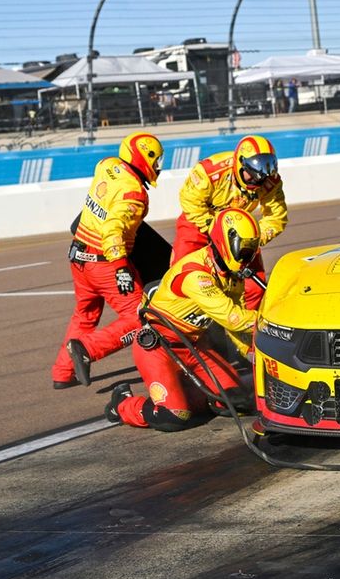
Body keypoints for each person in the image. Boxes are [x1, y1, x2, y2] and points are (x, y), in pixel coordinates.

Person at [105, 208, 260, 431]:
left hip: (194, 346)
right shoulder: (196, 275)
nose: (248, 257)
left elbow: (233, 326)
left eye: (252, 250)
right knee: (173, 417)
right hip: (158, 348)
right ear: (227, 242)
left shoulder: (232, 276)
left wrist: (251, 354)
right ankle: (122, 404)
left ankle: (184, 392)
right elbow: (234, 318)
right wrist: (269, 322)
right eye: (244, 249)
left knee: (236, 401)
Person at [52, 131, 165, 389]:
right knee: (142, 316)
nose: (158, 166)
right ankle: (88, 350)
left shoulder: (107, 165)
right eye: (156, 160)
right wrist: (121, 268)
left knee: (85, 314)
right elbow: (114, 230)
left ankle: (62, 372)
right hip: (104, 261)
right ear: (143, 158)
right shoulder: (135, 194)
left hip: (78, 254)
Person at [173, 135, 286, 310]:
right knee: (180, 274)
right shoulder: (209, 170)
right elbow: (190, 201)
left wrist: (254, 239)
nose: (259, 179)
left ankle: (247, 327)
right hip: (199, 224)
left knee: (255, 287)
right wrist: (211, 227)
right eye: (254, 172)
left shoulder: (270, 181)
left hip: (239, 231)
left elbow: (276, 217)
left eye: (266, 168)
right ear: (240, 163)